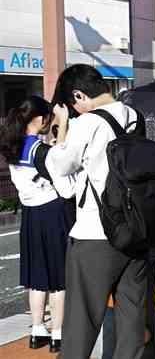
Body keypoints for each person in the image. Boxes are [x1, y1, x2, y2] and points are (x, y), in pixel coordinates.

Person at [45, 64, 146, 358]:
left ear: (78, 95)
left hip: (95, 235)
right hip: (136, 231)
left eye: (73, 105)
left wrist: (63, 126)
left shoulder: (88, 123)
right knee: (132, 321)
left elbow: (59, 166)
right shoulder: (135, 116)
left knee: (81, 324)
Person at [0, 97, 74, 353]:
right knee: (58, 278)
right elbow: (62, 165)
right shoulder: (37, 150)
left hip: (30, 214)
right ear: (41, 119)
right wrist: (63, 125)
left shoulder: (14, 145)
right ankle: (58, 334)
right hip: (52, 212)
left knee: (38, 277)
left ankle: (37, 331)